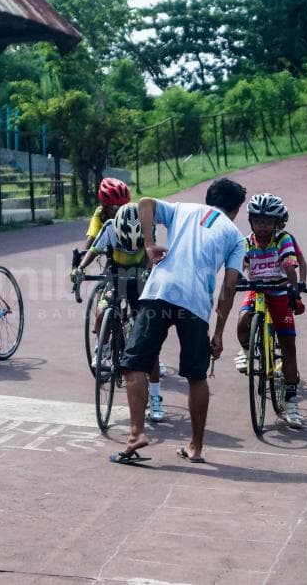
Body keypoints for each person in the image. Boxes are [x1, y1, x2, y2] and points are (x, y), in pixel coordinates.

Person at [112, 177, 247, 465]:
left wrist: (149, 245)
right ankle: (196, 446)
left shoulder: (183, 209)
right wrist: (219, 333)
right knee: (196, 376)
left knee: (134, 364)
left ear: (209, 198)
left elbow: (144, 203)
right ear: (235, 209)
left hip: (161, 291)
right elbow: (229, 286)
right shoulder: (235, 236)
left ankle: (136, 433)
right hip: (196, 305)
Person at [71, 202, 166, 422]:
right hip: (115, 275)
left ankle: (155, 397)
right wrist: (80, 269)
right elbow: (93, 251)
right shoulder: (110, 227)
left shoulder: (147, 229)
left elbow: (152, 259)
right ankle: (103, 347)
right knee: (103, 311)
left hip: (140, 276)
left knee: (149, 342)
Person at [235, 193, 305, 428]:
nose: (262, 225)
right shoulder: (246, 241)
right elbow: (238, 264)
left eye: (267, 221)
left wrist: (294, 289)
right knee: (243, 320)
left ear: (278, 223)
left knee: (288, 346)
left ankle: (292, 401)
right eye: (257, 220)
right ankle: (247, 351)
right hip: (256, 290)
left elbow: (289, 262)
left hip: (279, 292)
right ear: (251, 221)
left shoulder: (283, 239)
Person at [84, 177, 130, 250]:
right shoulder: (100, 213)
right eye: (113, 207)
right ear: (104, 205)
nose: (117, 210)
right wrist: (83, 254)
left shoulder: (133, 212)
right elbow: (92, 236)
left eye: (121, 206)